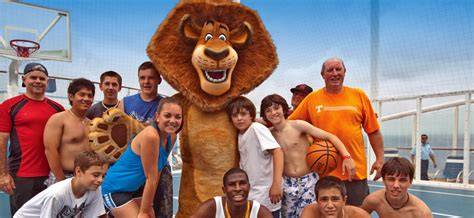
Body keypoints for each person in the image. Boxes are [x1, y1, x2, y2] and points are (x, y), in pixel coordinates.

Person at [289, 57, 385, 206]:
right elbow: (290, 126)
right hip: (324, 173)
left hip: (354, 173)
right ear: (322, 75)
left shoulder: (359, 95)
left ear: (345, 72)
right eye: (330, 70)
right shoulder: (312, 99)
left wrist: (379, 159)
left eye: (338, 69)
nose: (335, 73)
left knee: (356, 214)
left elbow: (373, 131)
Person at [261, 94, 355, 217]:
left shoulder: (298, 125)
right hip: (286, 183)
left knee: (311, 215)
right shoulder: (268, 134)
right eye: (268, 110)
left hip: (308, 180)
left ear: (284, 109)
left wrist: (346, 157)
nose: (273, 112)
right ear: (264, 115)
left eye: (276, 108)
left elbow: (330, 136)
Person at [101, 97, 182, 218]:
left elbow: (157, 172)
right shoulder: (151, 136)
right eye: (167, 115)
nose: (173, 120)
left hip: (135, 188)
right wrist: (144, 212)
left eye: (178, 117)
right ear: (157, 116)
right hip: (115, 188)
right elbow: (151, 178)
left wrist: (149, 206)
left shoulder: (172, 137)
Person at [0, 63, 64, 214]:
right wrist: (3, 174)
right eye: (33, 77)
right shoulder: (9, 106)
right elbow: (2, 142)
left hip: (51, 176)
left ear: (47, 82)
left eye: (42, 78)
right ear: (24, 79)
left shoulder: (58, 108)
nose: (37, 81)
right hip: (22, 176)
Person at [118, 61, 171, 216]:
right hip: (132, 167)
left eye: (151, 78)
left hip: (157, 167)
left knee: (161, 212)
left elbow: (168, 136)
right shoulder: (125, 103)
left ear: (159, 80)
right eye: (142, 78)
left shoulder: (165, 105)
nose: (146, 82)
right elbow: (119, 135)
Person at [226, 96, 284, 217]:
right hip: (252, 194)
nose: (239, 118)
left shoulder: (256, 128)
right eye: (235, 115)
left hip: (266, 194)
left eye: (243, 114)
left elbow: (277, 152)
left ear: (251, 116)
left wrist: (276, 184)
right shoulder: (240, 134)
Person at [14, 151, 108, 217]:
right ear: (78, 171)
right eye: (96, 175)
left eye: (103, 176)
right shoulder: (57, 194)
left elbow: (96, 215)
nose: (100, 180)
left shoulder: (94, 188)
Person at [44, 78, 95, 185]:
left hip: (85, 177)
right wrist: (61, 181)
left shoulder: (92, 124)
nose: (86, 98)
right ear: (71, 96)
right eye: (82, 94)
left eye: (90, 96)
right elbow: (50, 151)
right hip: (63, 176)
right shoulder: (58, 119)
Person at [361, 157, 432, 217]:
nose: (396, 185)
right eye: (391, 179)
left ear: (410, 182)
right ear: (383, 180)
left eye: (402, 180)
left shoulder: (422, 212)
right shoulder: (373, 200)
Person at [192, 168, 273, 218]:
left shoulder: (261, 213)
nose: (238, 188)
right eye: (232, 184)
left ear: (249, 187)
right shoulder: (212, 207)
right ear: (224, 190)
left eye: (242, 183)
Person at [301, 176, 370, 218]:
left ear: (344, 200)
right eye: (324, 199)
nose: (330, 205)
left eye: (335, 199)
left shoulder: (360, 216)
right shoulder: (310, 212)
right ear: (317, 201)